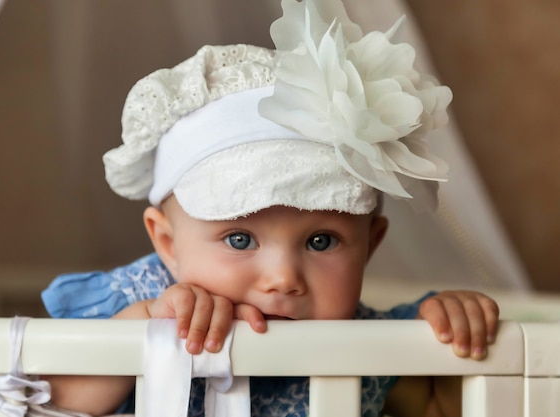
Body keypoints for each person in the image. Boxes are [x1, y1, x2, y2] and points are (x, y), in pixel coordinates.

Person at [41, 1, 500, 416]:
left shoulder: (379, 343)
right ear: (167, 243)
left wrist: (449, 332)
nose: (283, 278)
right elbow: (48, 400)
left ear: (370, 244)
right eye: (239, 239)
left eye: (322, 241)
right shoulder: (142, 299)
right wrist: (147, 328)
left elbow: (444, 404)